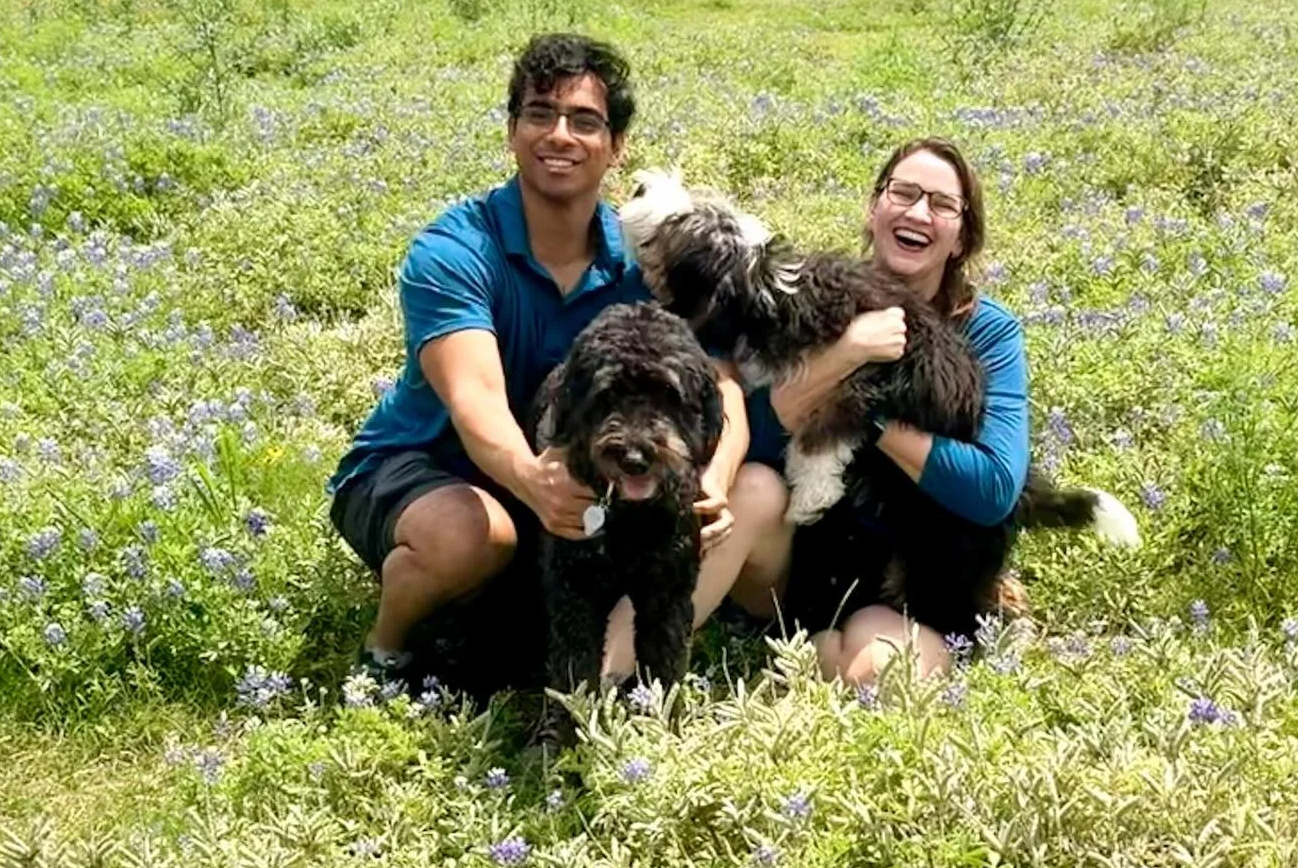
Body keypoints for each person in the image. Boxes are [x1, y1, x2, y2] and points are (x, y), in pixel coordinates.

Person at [329, 34, 771, 685]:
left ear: (616, 147)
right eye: (540, 114)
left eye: (585, 121)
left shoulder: (644, 262)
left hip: (569, 470)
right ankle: (387, 652)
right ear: (512, 131)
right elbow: (474, 396)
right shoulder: (456, 249)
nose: (559, 135)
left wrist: (716, 478)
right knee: (474, 537)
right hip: (424, 462)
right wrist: (534, 483)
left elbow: (720, 383)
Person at [728, 137, 1027, 687]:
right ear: (875, 207)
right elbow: (756, 440)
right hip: (804, 559)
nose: (918, 212)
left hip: (910, 573)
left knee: (870, 676)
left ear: (963, 235)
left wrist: (861, 415)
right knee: (750, 487)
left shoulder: (989, 331)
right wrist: (848, 352)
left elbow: (993, 488)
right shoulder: (820, 298)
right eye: (904, 192)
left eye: (942, 204)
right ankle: (633, 670)